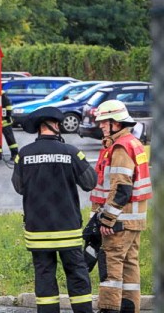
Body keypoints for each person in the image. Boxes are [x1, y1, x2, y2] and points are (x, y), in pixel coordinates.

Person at [11, 107, 97, 313]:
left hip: (38, 230)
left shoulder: (24, 155)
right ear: (55, 126)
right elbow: (90, 182)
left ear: (40, 128)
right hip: (67, 229)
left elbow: (19, 187)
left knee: (44, 277)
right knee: (77, 274)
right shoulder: (71, 152)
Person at [90, 100, 152, 313]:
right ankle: (129, 308)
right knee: (130, 266)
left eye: (103, 122)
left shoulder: (120, 147)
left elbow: (121, 188)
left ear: (115, 123)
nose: (100, 126)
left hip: (119, 221)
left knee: (111, 266)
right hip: (134, 220)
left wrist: (107, 219)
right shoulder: (133, 142)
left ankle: (108, 308)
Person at [0, 90, 18, 161]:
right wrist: (8, 117)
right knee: (9, 139)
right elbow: (8, 108)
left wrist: (7, 116)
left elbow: (8, 109)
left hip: (3, 122)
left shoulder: (2, 97)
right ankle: (14, 154)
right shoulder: (4, 97)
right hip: (5, 122)